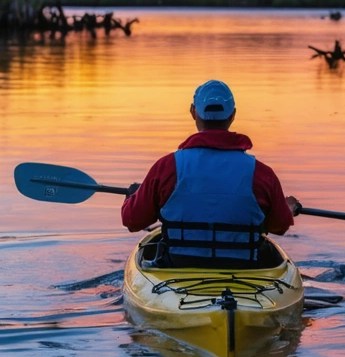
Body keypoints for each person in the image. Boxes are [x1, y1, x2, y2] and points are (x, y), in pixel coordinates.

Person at [121, 80, 301, 267]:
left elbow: (132, 221)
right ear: (232, 115)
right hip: (243, 269)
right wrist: (287, 208)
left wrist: (133, 196)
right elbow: (279, 226)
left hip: (178, 267)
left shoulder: (166, 167)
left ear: (193, 112)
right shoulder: (262, 173)